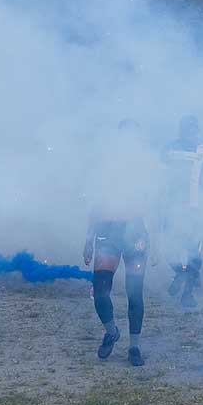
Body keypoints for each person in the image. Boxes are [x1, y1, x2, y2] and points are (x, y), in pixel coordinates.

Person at [83, 120, 158, 367]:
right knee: (100, 290)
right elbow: (94, 204)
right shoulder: (104, 164)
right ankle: (111, 331)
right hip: (107, 231)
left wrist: (155, 241)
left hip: (135, 232)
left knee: (134, 292)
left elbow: (154, 206)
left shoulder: (146, 166)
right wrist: (89, 240)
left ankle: (134, 347)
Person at [161, 115, 203, 309]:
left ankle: (188, 293)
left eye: (193, 128)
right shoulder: (170, 148)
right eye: (186, 128)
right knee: (168, 246)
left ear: (198, 129)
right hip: (173, 205)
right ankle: (180, 272)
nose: (190, 132)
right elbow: (159, 175)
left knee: (194, 249)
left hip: (197, 207)